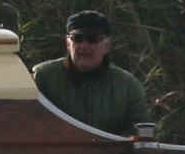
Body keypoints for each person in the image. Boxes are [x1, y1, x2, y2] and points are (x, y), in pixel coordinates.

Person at [26, 10, 149, 138]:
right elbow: (28, 124)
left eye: (92, 39)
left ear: (107, 45)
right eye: (77, 39)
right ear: (68, 43)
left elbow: (141, 133)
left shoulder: (128, 86)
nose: (84, 46)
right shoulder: (42, 77)